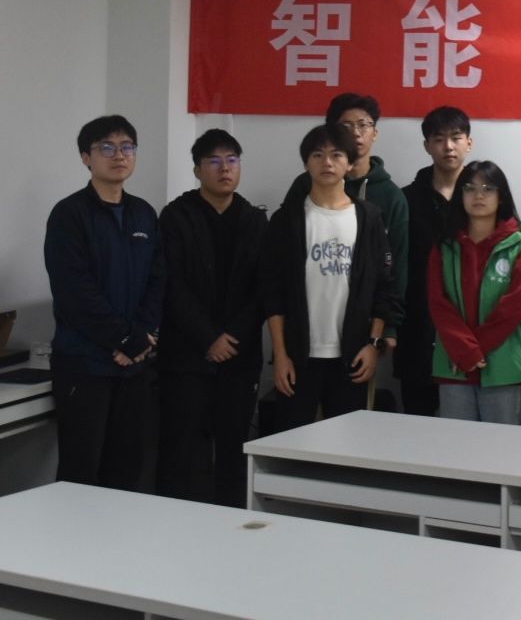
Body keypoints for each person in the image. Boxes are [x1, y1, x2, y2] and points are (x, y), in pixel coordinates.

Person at [44, 115, 163, 490]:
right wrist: (125, 339)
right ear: (86, 157)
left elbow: (157, 280)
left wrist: (142, 336)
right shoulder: (69, 214)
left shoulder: (143, 213)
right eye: (107, 147)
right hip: (86, 364)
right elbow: (74, 292)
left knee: (127, 470)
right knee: (81, 473)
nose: (119, 155)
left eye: (127, 147)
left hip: (134, 366)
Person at [262, 124, 399, 432]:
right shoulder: (287, 219)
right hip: (298, 357)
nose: (327, 162)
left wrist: (373, 344)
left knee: (347, 443)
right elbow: (273, 291)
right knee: (292, 443)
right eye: (317, 155)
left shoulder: (369, 218)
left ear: (349, 163)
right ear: (306, 163)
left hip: (353, 356)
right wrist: (280, 355)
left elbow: (383, 286)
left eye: (336, 155)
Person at [156, 130, 267, 507]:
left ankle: (231, 521)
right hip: (187, 356)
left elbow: (263, 288)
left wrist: (232, 337)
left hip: (240, 356)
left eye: (232, 160)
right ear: (197, 170)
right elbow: (170, 284)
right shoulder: (176, 216)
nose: (225, 169)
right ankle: (178, 525)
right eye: (214, 161)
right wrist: (208, 338)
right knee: (183, 451)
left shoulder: (254, 219)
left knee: (235, 449)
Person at [283, 93, 408, 359]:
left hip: (367, 323)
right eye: (346, 126)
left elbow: (396, 264)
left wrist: (390, 326)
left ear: (375, 132)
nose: (356, 133)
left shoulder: (391, 196)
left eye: (363, 125)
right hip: (307, 327)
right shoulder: (305, 185)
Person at [428, 161, 521, 424]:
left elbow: (515, 307)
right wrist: (464, 351)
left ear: (501, 197)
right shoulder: (444, 246)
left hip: (504, 367)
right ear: (460, 195)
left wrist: (473, 352)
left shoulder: (520, 245)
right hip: (454, 366)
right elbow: (438, 303)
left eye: (488, 188)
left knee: (502, 447)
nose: (478, 195)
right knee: (456, 447)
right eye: (470, 188)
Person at [399, 106, 473, 417]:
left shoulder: (485, 198)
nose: (448, 146)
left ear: (469, 142)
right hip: (418, 327)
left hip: (472, 328)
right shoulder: (406, 199)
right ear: (427, 145)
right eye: (439, 139)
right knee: (419, 422)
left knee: (472, 431)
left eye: (456, 137)